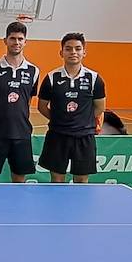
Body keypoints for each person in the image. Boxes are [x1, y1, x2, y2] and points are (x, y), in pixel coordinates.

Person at [36, 32, 106, 183]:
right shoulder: (51, 78)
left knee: (81, 179)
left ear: (84, 52)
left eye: (78, 48)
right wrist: (59, 119)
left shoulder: (95, 78)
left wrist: (82, 120)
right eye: (68, 49)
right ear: (61, 53)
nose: (73, 52)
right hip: (57, 136)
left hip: (84, 137)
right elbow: (42, 106)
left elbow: (100, 107)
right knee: (57, 179)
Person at [0, 21, 40, 182]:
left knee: (19, 178)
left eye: (20, 39)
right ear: (5, 40)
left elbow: (27, 102)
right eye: (12, 38)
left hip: (21, 135)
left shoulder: (33, 71)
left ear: (25, 42)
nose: (16, 42)